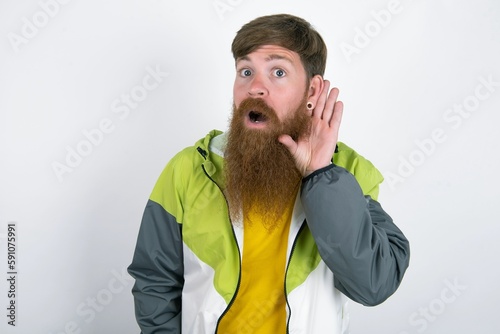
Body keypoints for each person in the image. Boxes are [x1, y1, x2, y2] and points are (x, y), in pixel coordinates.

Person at [127, 13, 410, 334]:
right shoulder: (189, 169)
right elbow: (155, 281)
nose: (255, 88)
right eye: (245, 71)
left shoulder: (349, 172)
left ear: (312, 90)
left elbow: (374, 284)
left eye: (278, 72)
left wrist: (321, 175)